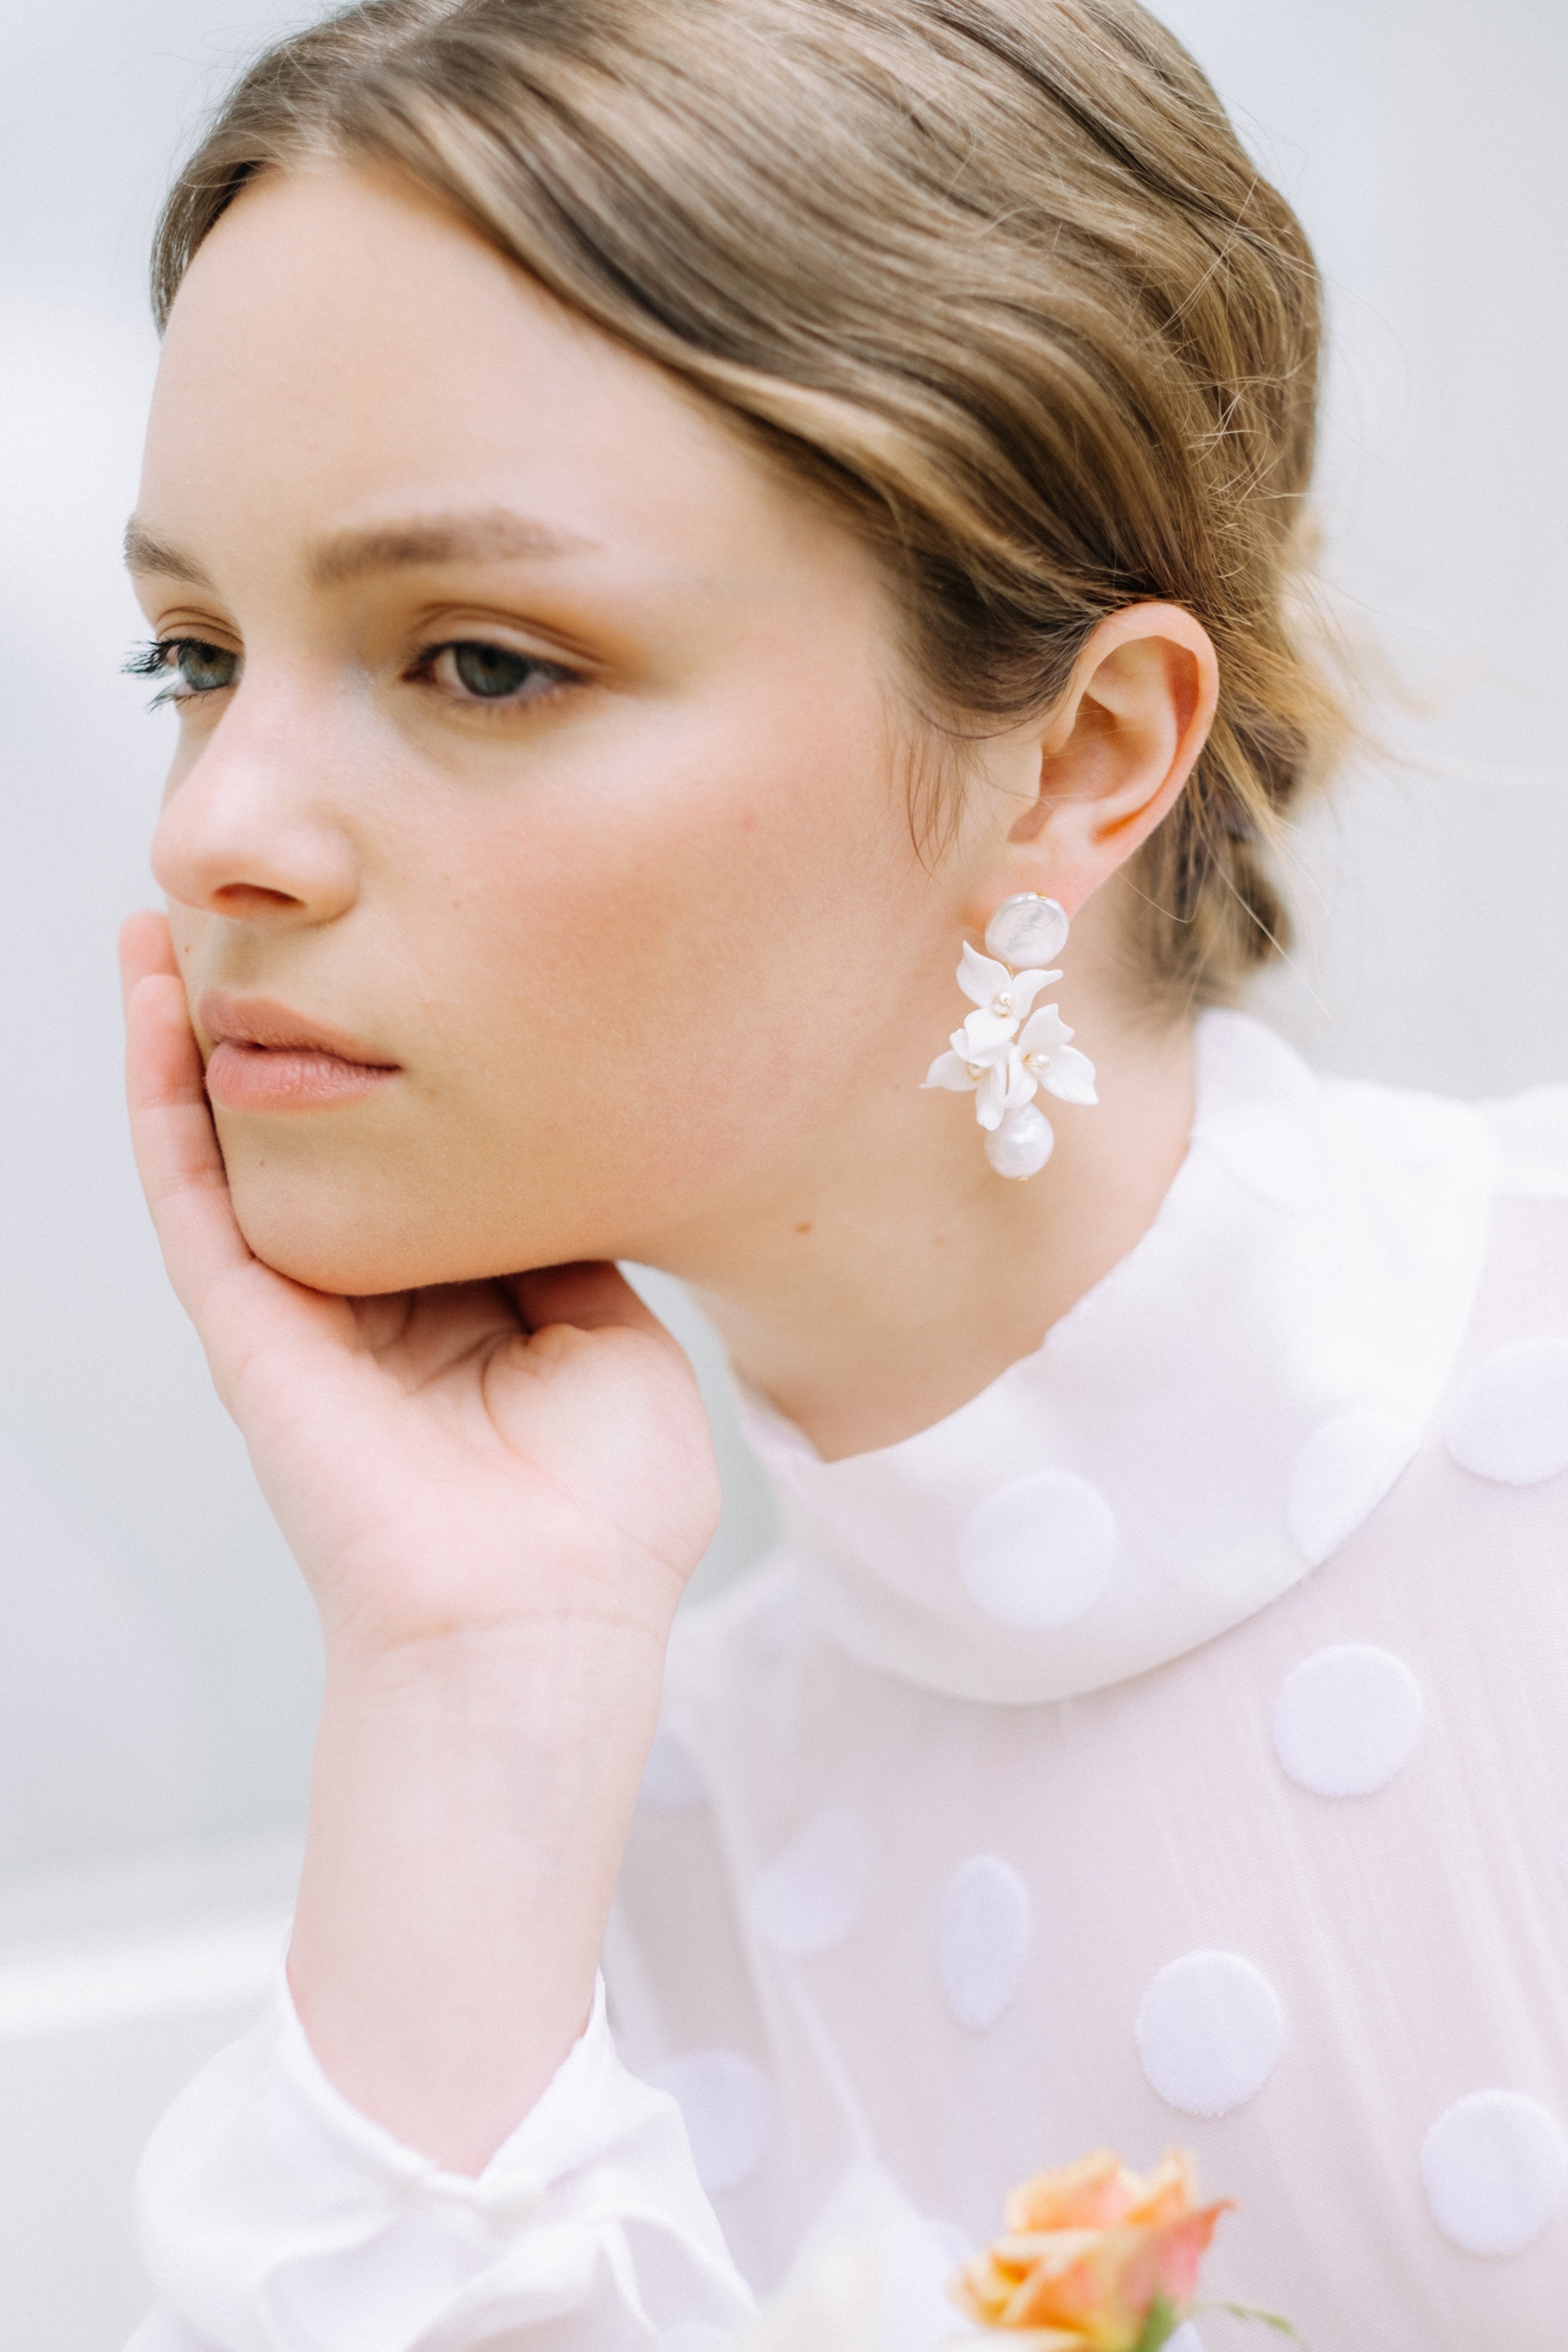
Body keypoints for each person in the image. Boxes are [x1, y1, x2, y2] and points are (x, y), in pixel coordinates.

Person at [116, 0, 1568, 2343]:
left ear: (1081, 758)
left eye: (481, 662)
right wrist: (474, 1678)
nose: (216, 831)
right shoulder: (554, 1866)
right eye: (184, 651)